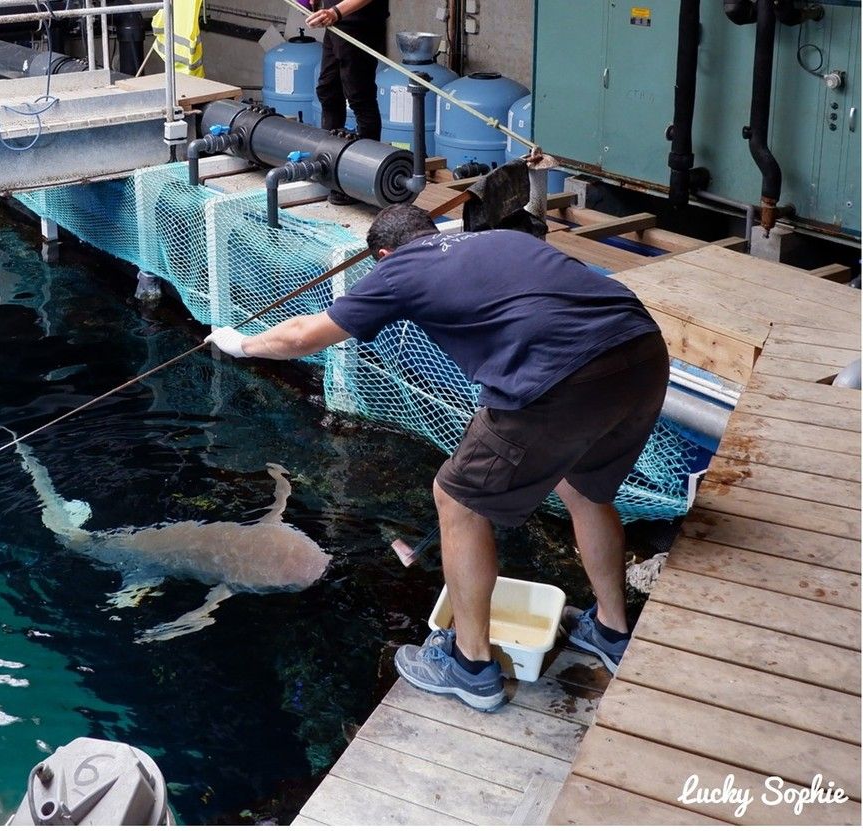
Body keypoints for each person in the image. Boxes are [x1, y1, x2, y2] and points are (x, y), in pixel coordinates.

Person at [206, 204, 669, 712]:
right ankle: (609, 628)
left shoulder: (401, 267)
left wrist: (243, 345)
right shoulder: (496, 238)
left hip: (559, 377)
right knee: (583, 488)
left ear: (382, 256)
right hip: (642, 352)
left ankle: (471, 667)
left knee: (456, 499)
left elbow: (301, 336)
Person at [305, 0, 388, 204]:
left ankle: (366, 176)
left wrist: (336, 11)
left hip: (359, 25)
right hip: (336, 25)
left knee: (360, 97)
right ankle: (331, 165)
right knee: (328, 90)